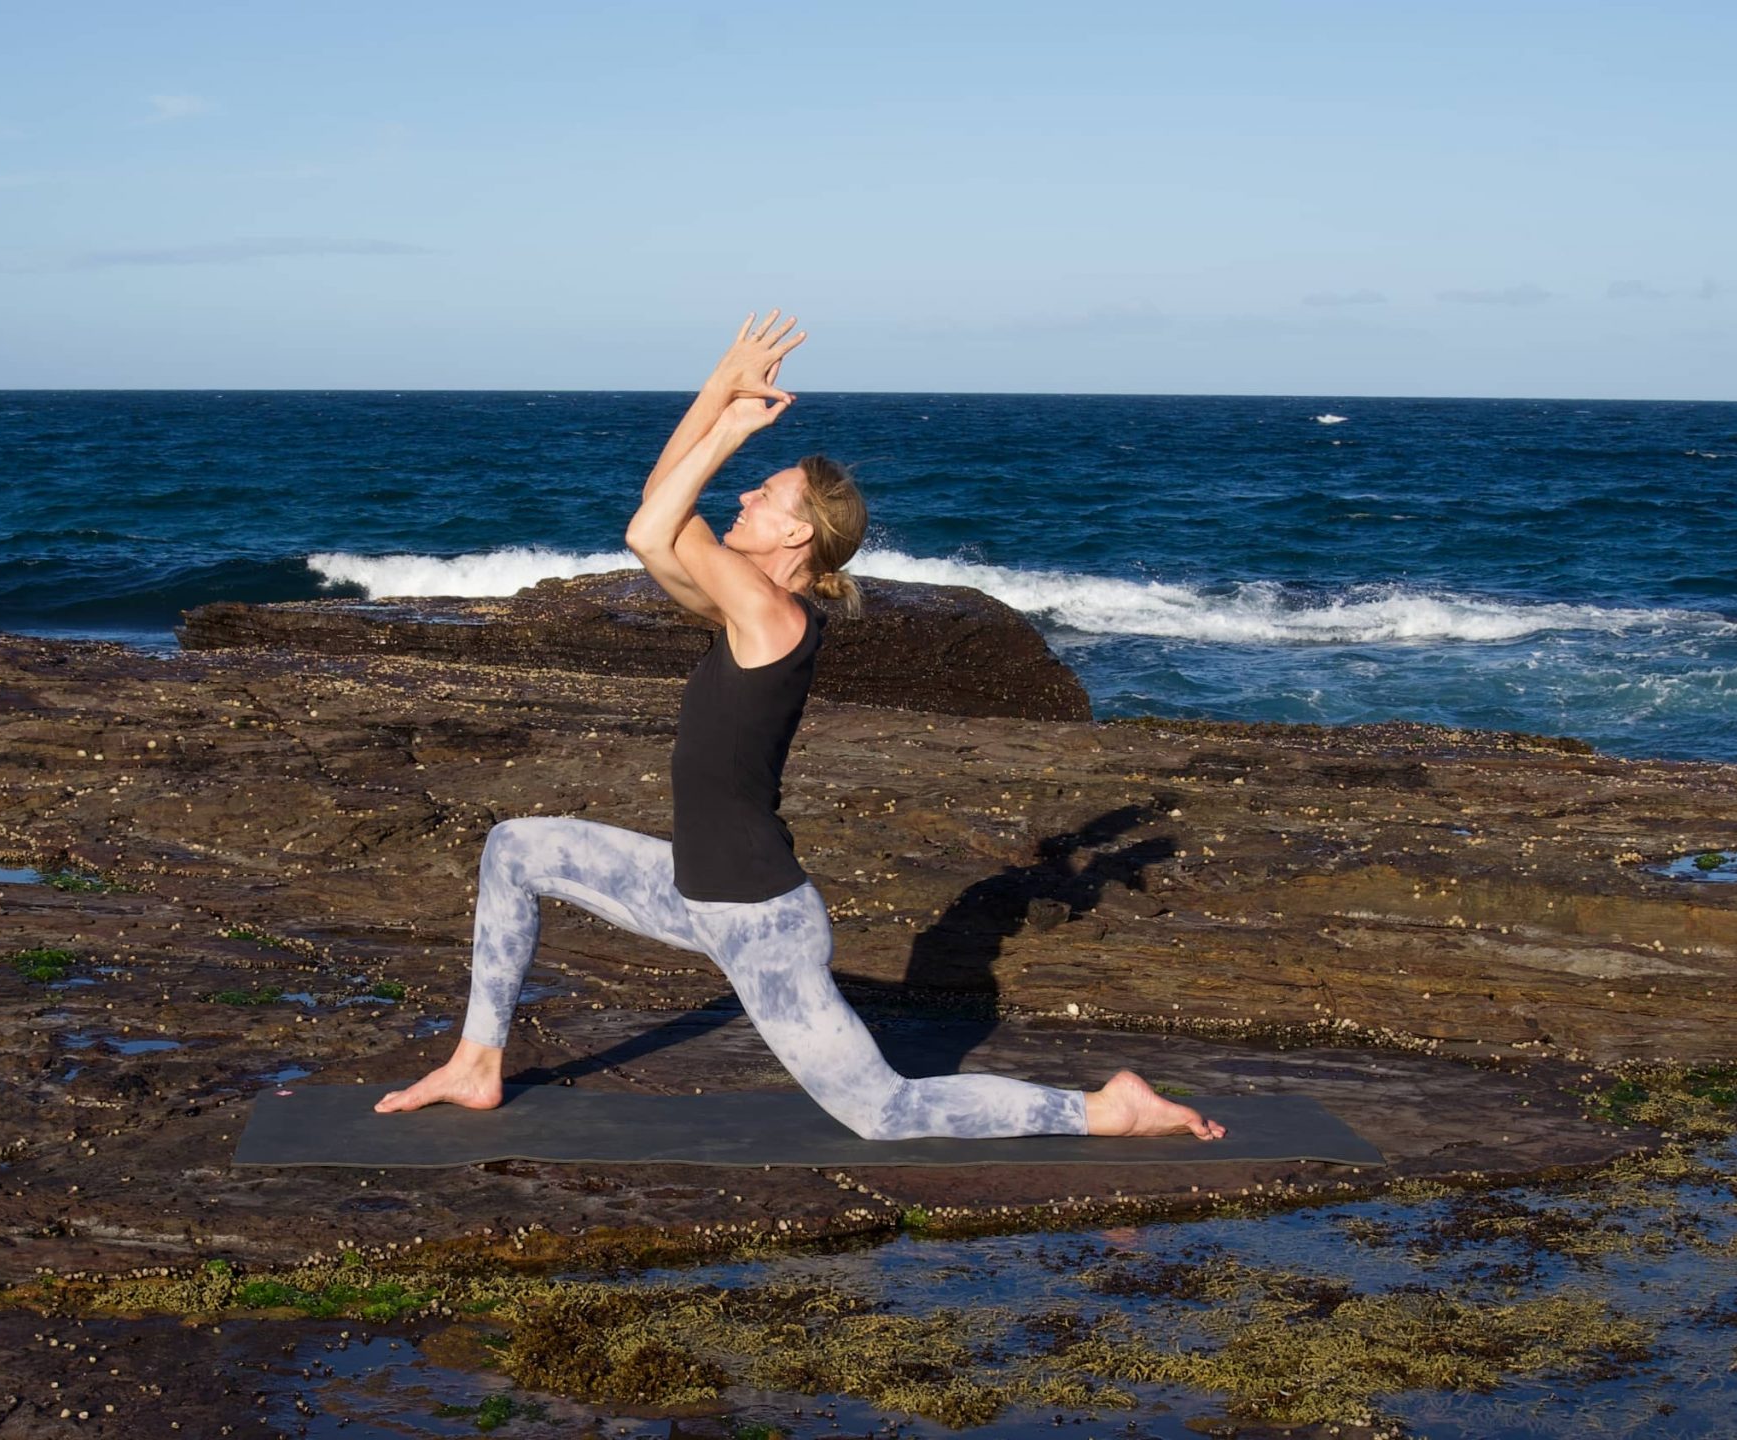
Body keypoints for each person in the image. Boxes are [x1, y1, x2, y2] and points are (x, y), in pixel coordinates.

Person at [377, 312, 1223, 1144]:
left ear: (795, 533)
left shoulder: (773, 617)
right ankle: (477, 1063)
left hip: (759, 922)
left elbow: (649, 527)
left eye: (765, 494)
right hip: (690, 889)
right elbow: (657, 512)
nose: (745, 497)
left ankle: (1108, 1109)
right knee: (515, 848)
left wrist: (734, 426)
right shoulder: (742, 607)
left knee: (883, 1113)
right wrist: (719, 387)